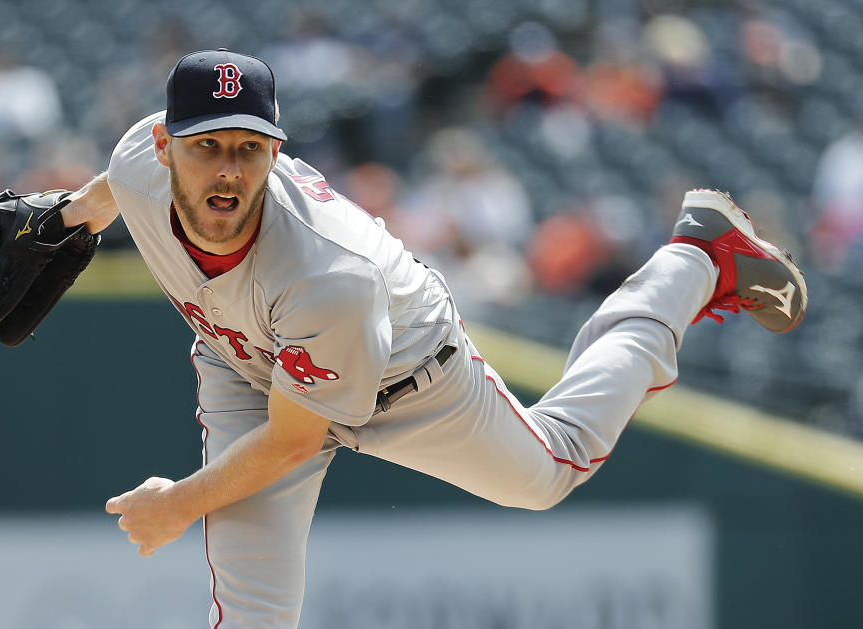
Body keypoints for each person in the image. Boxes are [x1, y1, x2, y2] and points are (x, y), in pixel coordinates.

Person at [59, 49, 807, 628]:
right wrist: (62, 217)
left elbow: (292, 441)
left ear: (277, 153)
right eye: (206, 145)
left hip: (406, 375)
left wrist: (182, 501)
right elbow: (108, 190)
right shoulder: (134, 164)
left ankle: (692, 261)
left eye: (249, 149)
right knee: (254, 614)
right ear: (162, 145)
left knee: (548, 472)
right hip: (249, 364)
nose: (227, 168)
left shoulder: (328, 270)